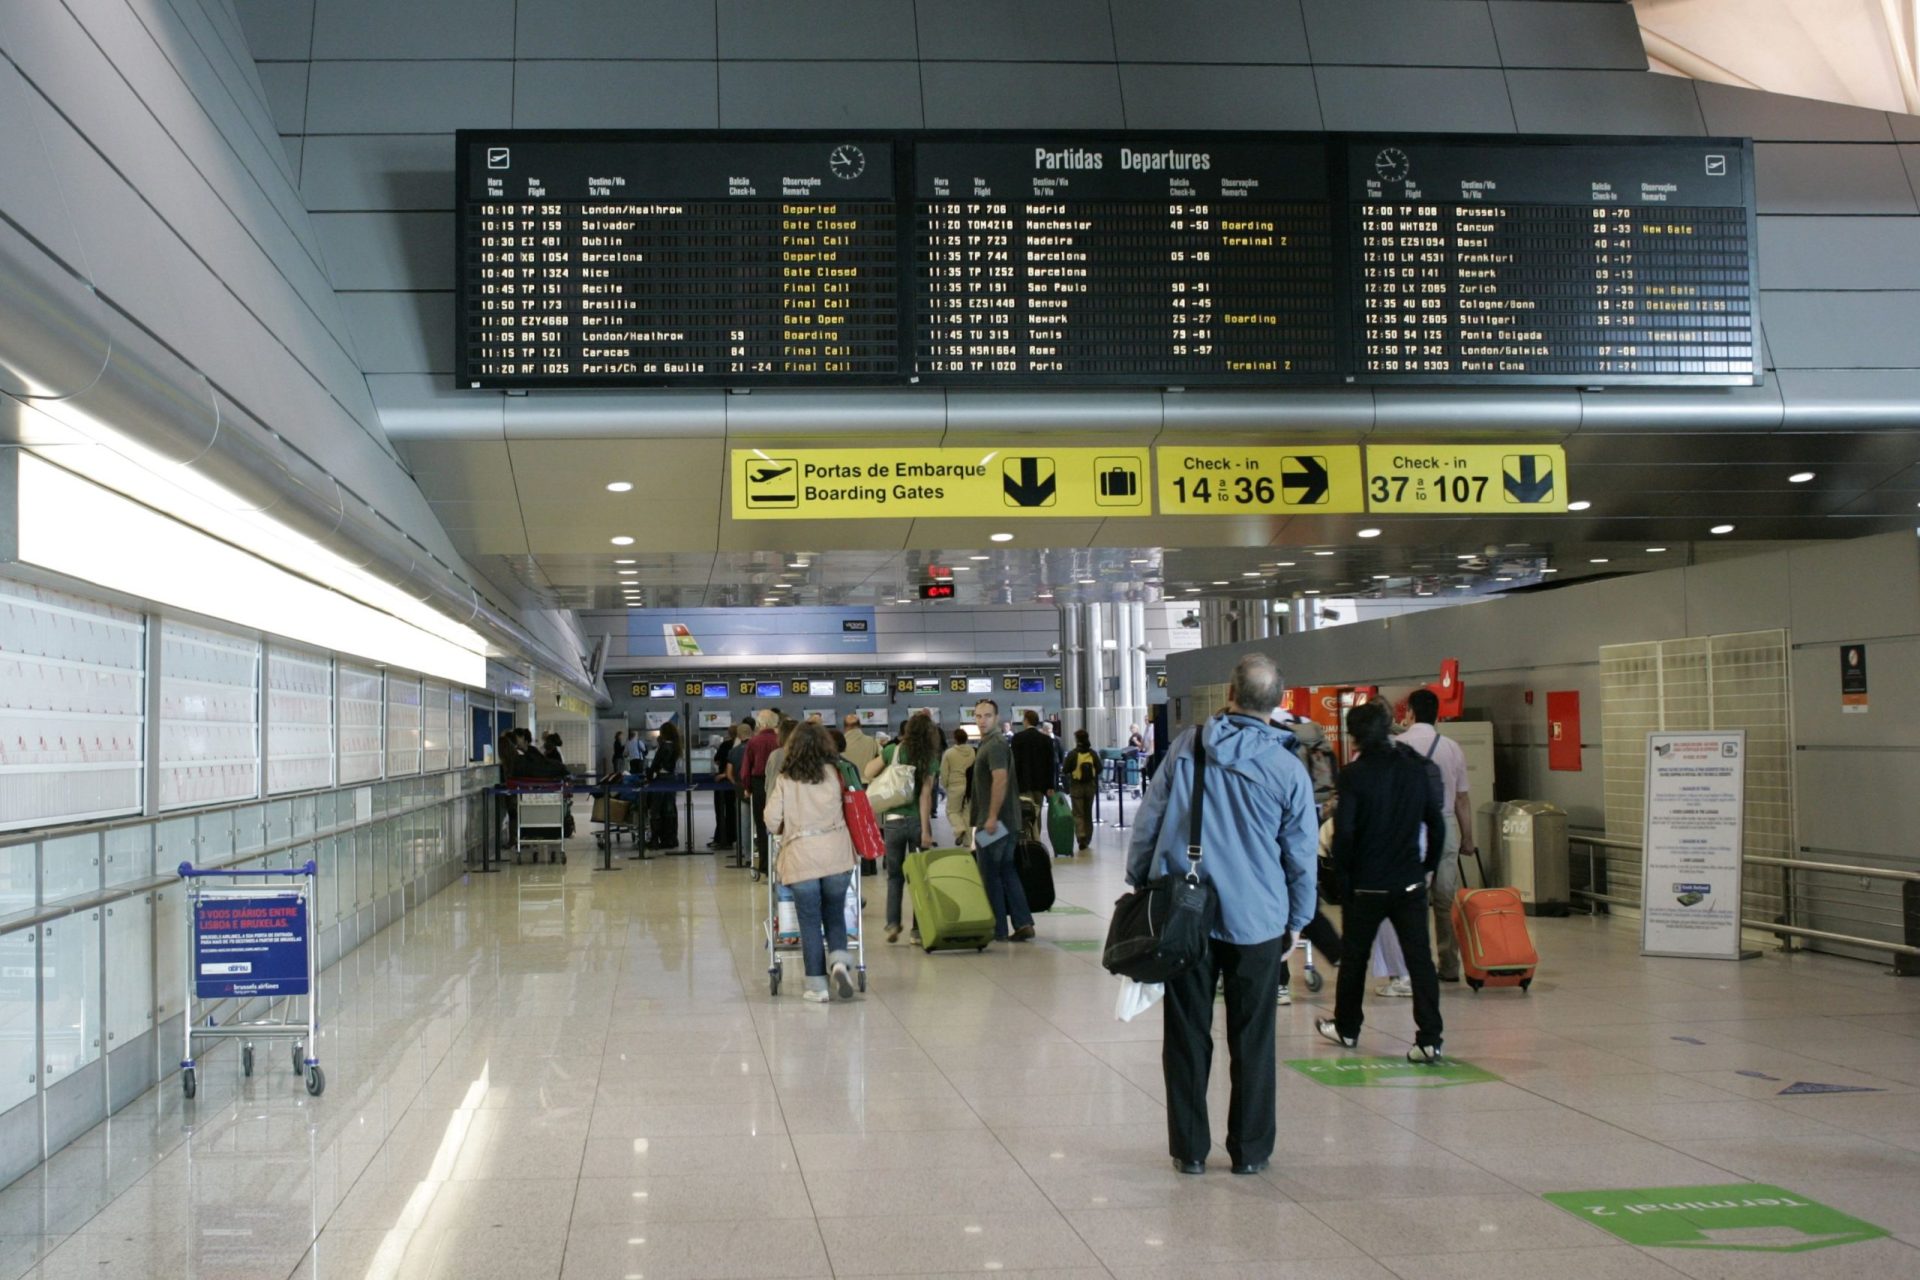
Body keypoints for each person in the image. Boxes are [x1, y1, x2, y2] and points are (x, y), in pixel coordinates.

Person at [1126, 654, 1316, 1177]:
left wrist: (1141, 880)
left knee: (1187, 1033)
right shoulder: (1287, 768)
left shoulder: (1188, 747)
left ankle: (1189, 1149)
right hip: (1258, 920)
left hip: (1188, 914)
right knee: (1253, 1037)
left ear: (1228, 697)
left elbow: (1151, 818)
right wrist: (1298, 919)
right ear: (1278, 705)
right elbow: (1299, 855)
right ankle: (1250, 1151)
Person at [1316, 698, 1447, 1062]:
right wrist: (1425, 867)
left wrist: (1344, 878)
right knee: (1420, 960)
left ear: (1354, 735)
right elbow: (1436, 825)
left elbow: (1346, 834)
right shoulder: (1416, 770)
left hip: (1366, 884)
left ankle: (1347, 1028)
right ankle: (1430, 1039)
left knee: (1355, 958)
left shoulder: (1354, 775)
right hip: (1408, 883)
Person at [762, 721, 859, 1004]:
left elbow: (770, 821)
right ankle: (839, 961)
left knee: (809, 921)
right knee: (834, 913)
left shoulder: (785, 779)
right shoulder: (836, 774)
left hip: (801, 857)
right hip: (836, 855)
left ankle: (817, 986)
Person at [1397, 688, 1477, 982]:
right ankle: (1449, 966)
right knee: (1445, 901)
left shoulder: (1398, 744)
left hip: (1409, 830)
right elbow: (1462, 799)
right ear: (1438, 715)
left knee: (1411, 902)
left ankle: (1413, 967)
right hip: (1444, 828)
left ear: (1411, 713)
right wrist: (1467, 838)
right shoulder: (1452, 747)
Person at [865, 713, 939, 944]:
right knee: (919, 878)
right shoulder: (930, 757)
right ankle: (917, 931)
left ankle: (893, 923)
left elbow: (868, 772)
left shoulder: (894, 750)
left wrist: (885, 755)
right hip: (917, 822)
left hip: (894, 822)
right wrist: (927, 831)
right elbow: (926, 796)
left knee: (894, 877)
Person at [969, 699, 1035, 942]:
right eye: (978, 716)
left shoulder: (994, 745)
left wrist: (992, 816)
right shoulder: (991, 743)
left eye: (987, 716)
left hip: (995, 822)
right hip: (1005, 821)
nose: (982, 720)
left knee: (990, 873)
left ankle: (997, 928)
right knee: (1006, 870)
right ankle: (1023, 921)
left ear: (996, 718)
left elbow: (1000, 779)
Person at [740, 710, 779, 873]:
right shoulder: (781, 740)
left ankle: (764, 865)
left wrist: (748, 788)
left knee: (762, 825)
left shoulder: (754, 742)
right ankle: (781, 863)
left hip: (759, 784)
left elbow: (746, 769)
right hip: (779, 783)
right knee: (780, 823)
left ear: (760, 724)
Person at [1010, 709, 1055, 841]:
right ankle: (1036, 838)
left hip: (1022, 783)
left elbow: (1015, 763)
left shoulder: (1017, 738)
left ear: (1026, 721)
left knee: (1024, 813)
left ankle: (1026, 839)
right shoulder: (1046, 740)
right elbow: (1050, 764)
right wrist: (1050, 785)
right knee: (1037, 812)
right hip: (1040, 785)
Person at [1061, 728, 1101, 852]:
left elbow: (1065, 769)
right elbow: (1099, 768)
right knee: (1088, 813)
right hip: (1090, 786)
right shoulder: (1092, 753)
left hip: (1077, 787)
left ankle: (1081, 837)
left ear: (1077, 739)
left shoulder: (1073, 754)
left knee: (1078, 813)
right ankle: (1088, 839)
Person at [645, 721, 681, 849]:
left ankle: (655, 840)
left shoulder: (664, 746)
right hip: (672, 780)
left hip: (661, 780)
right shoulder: (676, 746)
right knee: (669, 809)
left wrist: (648, 777)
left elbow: (656, 764)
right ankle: (670, 839)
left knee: (656, 810)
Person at [938, 726, 976, 847]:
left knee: (952, 811)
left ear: (955, 739)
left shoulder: (949, 753)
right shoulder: (973, 752)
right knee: (967, 813)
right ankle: (968, 841)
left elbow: (944, 772)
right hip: (970, 787)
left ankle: (959, 829)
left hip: (955, 786)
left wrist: (945, 785)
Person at [709, 729, 736, 850]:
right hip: (735, 783)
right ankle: (733, 836)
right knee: (732, 810)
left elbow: (717, 759)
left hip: (723, 782)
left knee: (720, 810)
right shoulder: (742, 745)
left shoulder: (726, 745)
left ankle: (721, 837)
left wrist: (724, 774)